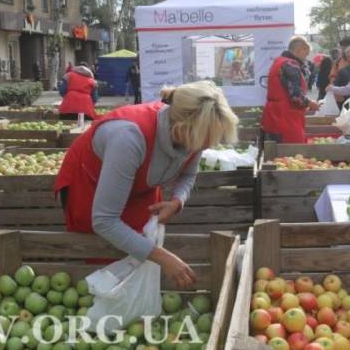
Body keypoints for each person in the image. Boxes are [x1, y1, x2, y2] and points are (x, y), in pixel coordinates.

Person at [55, 81, 238, 288]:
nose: (208, 145)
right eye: (205, 139)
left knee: (138, 253)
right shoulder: (128, 138)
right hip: (90, 185)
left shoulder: (194, 136)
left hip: (140, 187)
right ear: (181, 126)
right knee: (103, 260)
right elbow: (104, 220)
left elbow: (188, 174)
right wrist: (163, 257)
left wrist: (177, 201)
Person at [262, 36, 320, 143]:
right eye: (305, 54)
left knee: (277, 155)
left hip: (274, 116)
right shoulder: (290, 65)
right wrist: (311, 103)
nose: (305, 58)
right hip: (286, 118)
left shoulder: (279, 61)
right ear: (299, 50)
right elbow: (296, 97)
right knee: (292, 153)